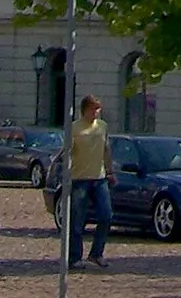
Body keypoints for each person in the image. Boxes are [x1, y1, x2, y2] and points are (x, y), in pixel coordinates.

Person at [65, 94, 115, 269]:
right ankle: (74, 258)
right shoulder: (74, 128)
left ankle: (96, 253)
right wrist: (66, 173)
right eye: (93, 109)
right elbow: (68, 152)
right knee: (77, 221)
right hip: (80, 179)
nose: (96, 113)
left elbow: (106, 150)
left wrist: (110, 171)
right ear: (84, 110)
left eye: (98, 109)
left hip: (99, 178)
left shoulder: (102, 126)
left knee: (106, 216)